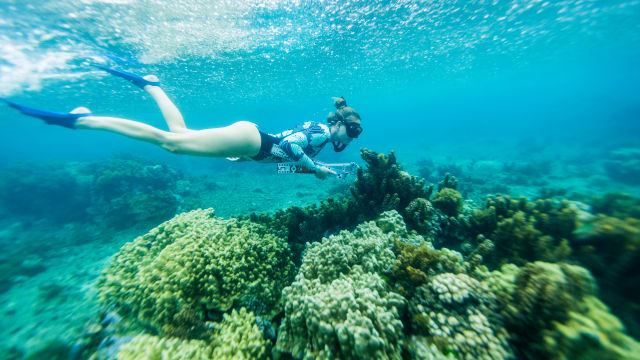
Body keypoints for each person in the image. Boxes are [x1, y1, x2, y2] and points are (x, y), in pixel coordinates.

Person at [2, 67, 362, 179]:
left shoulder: (323, 142)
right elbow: (292, 146)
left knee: (179, 135)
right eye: (353, 130)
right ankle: (82, 121)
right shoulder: (318, 131)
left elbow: (283, 164)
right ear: (341, 124)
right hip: (252, 139)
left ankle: (151, 85)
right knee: (171, 142)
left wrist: (313, 169)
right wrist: (316, 168)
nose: (352, 137)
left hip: (249, 144)